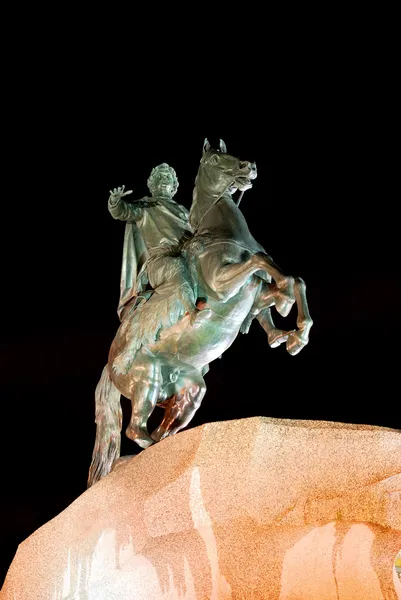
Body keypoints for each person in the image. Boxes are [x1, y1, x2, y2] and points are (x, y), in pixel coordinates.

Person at [108, 163, 199, 372]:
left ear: (175, 185)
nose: (164, 179)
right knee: (177, 266)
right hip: (161, 262)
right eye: (159, 177)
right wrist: (115, 202)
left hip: (188, 258)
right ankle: (193, 311)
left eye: (168, 177)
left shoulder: (185, 212)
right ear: (152, 184)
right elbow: (123, 211)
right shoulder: (146, 208)